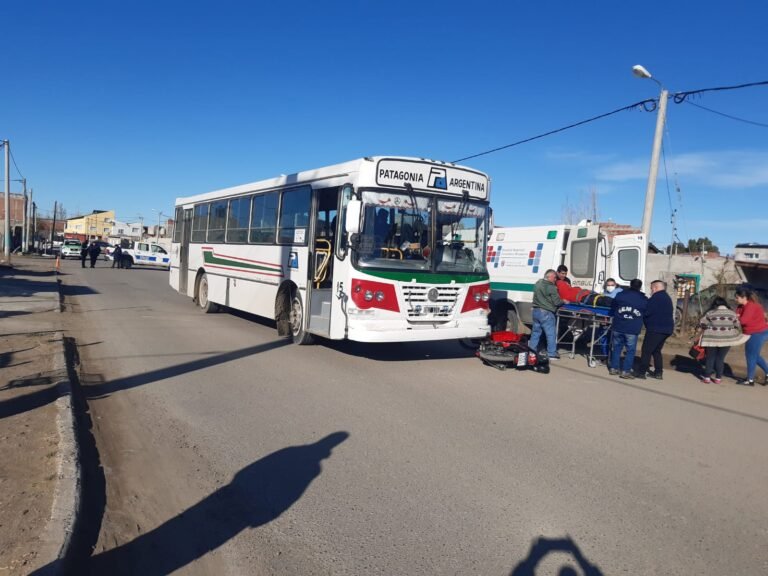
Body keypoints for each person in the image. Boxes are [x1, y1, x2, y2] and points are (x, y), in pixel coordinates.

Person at [697, 297, 747, 384]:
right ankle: (718, 378)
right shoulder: (732, 314)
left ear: (715, 304)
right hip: (726, 340)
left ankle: (707, 378)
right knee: (720, 359)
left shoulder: (710, 313)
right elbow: (737, 325)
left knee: (710, 358)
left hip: (711, 339)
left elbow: (702, 323)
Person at [608, 278, 648, 379]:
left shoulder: (621, 294)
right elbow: (646, 312)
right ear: (640, 287)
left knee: (617, 348)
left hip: (618, 326)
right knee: (630, 351)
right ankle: (625, 371)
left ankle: (614, 368)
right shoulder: (643, 299)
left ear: (630, 285)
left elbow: (613, 306)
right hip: (632, 328)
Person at [636, 280, 674, 379]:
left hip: (656, 328)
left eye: (651, 288)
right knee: (656, 351)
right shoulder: (666, 297)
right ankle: (658, 372)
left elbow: (647, 311)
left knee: (646, 351)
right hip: (666, 329)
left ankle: (641, 372)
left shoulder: (656, 298)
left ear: (655, 287)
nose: (651, 290)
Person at [734, 288, 768, 386]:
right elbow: (738, 316)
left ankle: (750, 380)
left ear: (744, 297)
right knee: (755, 356)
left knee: (750, 355)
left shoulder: (751, 306)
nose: (736, 299)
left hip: (758, 332)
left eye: (737, 297)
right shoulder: (741, 306)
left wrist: (737, 317)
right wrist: (737, 317)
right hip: (752, 332)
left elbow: (744, 320)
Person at [529, 269, 564, 360]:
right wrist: (563, 301)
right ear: (548, 277)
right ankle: (551, 353)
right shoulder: (551, 287)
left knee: (535, 333)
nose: (555, 279)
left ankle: (532, 352)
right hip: (546, 313)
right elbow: (556, 302)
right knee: (550, 334)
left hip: (536, 311)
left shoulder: (538, 283)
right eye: (554, 277)